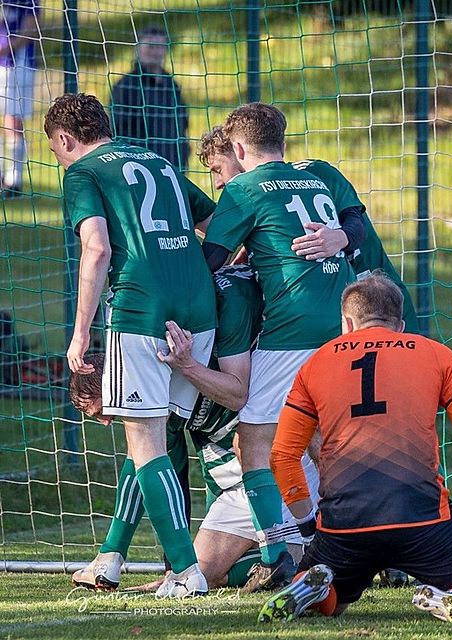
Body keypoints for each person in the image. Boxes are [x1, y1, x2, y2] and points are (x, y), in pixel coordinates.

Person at [258, 274, 452, 625]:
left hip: (344, 524)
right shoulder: (436, 354)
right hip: (422, 519)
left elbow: (282, 456)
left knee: (335, 603)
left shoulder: (315, 363)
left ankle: (312, 586)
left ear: (347, 323)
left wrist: (312, 535)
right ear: (400, 325)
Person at [46, 93, 218, 597]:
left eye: (57, 152)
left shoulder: (83, 172)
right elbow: (216, 222)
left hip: (140, 307)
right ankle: (111, 557)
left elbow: (96, 248)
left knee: (146, 441)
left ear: (64, 139)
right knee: (152, 440)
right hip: (199, 308)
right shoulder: (158, 161)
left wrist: (81, 333)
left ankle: (187, 574)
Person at [69, 267, 322, 591]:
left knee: (260, 453)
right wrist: (173, 562)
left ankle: (303, 554)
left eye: (102, 410)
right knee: (206, 570)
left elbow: (236, 393)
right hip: (238, 486)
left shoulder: (205, 342)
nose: (106, 421)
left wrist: (188, 366)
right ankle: (283, 559)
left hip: (278, 463)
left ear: (116, 380)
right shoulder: (157, 412)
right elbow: (168, 479)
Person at [201, 103, 361, 592]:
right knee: (328, 442)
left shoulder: (243, 188)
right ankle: (351, 543)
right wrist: (340, 238)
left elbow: (210, 260)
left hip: (291, 331)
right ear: (283, 141)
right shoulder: (316, 177)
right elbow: (356, 226)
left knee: (253, 445)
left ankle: (282, 552)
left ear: (240, 149)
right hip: (343, 324)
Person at [196, 126, 419, 331]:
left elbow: (357, 226)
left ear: (239, 151)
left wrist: (341, 237)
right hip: (337, 311)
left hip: (380, 298)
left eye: (218, 169)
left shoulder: (314, 172)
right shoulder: (258, 195)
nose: (217, 182)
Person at [110, 25, 190, 172]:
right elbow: (118, 130)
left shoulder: (172, 85)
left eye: (160, 46)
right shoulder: (125, 86)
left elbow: (183, 123)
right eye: (151, 46)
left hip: (173, 166)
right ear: (138, 48)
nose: (155, 52)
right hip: (141, 168)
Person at [0, 0, 40, 195]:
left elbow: (31, 29)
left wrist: (5, 49)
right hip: (3, 65)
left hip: (18, 65)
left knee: (12, 121)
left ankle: (14, 181)